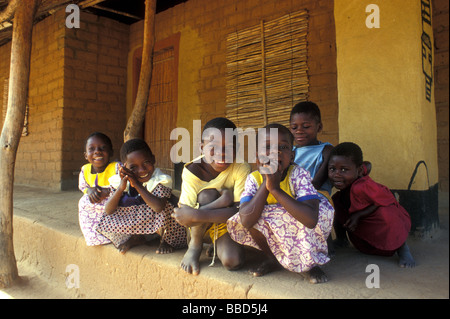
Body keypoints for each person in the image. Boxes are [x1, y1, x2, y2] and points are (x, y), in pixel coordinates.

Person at [227, 124, 334, 284]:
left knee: (307, 215)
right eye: (267, 147)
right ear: (258, 159)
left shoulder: (299, 175)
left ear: (291, 156)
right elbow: (246, 220)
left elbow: (310, 219)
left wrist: (275, 189)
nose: (275, 152)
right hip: (278, 221)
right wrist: (267, 184)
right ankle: (273, 259)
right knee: (245, 216)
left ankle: (310, 264)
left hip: (302, 221)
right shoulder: (254, 179)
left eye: (282, 147)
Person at [172, 117, 251, 275]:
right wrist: (223, 201)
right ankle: (195, 246)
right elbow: (184, 216)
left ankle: (216, 244)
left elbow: (240, 212)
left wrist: (197, 214)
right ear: (202, 148)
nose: (222, 154)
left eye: (229, 147)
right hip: (198, 229)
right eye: (213, 147)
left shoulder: (241, 167)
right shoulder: (192, 170)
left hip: (225, 224)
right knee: (207, 195)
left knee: (233, 261)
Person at [328, 142, 415, 268]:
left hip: (379, 221)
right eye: (332, 169)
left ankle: (402, 248)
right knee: (334, 201)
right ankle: (342, 239)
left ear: (358, 171)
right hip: (359, 222)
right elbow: (367, 165)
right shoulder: (353, 176)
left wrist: (358, 215)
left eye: (343, 170)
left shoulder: (362, 186)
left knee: (387, 213)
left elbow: (387, 198)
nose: (336, 174)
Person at [96, 138, 187, 254]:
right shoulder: (119, 181)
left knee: (166, 207)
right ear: (124, 167)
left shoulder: (160, 179)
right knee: (118, 203)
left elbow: (158, 207)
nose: (142, 170)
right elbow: (108, 211)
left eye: (146, 163)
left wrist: (137, 184)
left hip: (164, 220)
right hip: (145, 218)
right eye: (133, 167)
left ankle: (166, 240)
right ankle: (137, 237)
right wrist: (120, 188)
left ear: (153, 159)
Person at [78, 132, 119, 246]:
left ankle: (115, 234)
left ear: (111, 152)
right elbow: (83, 186)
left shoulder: (116, 168)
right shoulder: (85, 170)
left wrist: (109, 192)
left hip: (114, 204)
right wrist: (89, 191)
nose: (97, 151)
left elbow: (124, 186)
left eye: (102, 148)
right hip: (96, 204)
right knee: (83, 201)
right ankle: (94, 236)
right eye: (92, 149)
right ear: (86, 155)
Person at [289, 101, 333, 202]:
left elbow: (316, 184)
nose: (299, 131)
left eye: (306, 126)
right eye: (294, 127)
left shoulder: (326, 151)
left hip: (317, 200)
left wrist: (292, 165)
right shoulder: (290, 151)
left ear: (319, 127)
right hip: (292, 200)